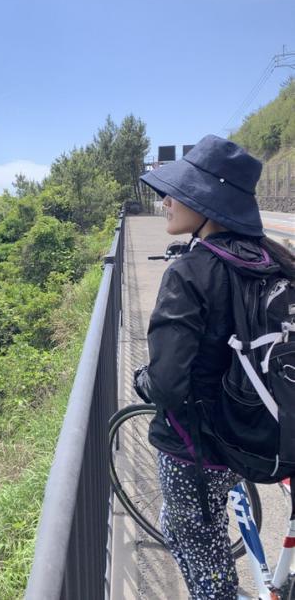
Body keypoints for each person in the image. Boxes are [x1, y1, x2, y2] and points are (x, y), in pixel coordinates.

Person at [137, 134, 295, 598]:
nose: (167, 201)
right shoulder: (278, 261)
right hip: (263, 427)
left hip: (199, 448)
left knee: (202, 551)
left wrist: (142, 380)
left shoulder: (188, 273)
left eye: (179, 193)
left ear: (208, 204)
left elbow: (166, 385)